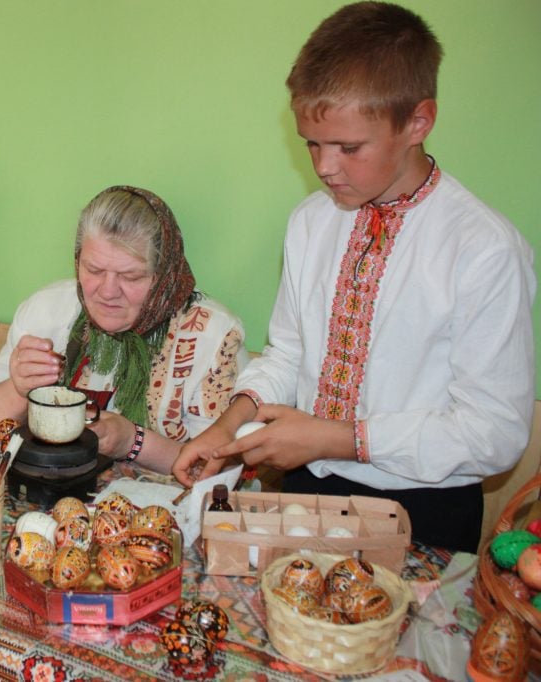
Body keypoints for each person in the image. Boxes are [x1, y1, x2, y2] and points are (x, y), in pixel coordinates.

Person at [172, 1, 535, 553]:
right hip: (304, 490)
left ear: (418, 121)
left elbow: (494, 432)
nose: (324, 167)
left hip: (422, 510)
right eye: (311, 143)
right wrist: (229, 425)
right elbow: (289, 356)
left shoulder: (482, 248)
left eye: (348, 147)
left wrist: (339, 438)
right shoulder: (311, 224)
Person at [0, 185, 247, 471]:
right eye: (94, 270)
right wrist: (19, 388)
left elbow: (222, 467)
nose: (108, 291)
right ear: (77, 260)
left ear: (165, 273)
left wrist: (134, 443)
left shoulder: (213, 336)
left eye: (131, 276)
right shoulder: (48, 309)